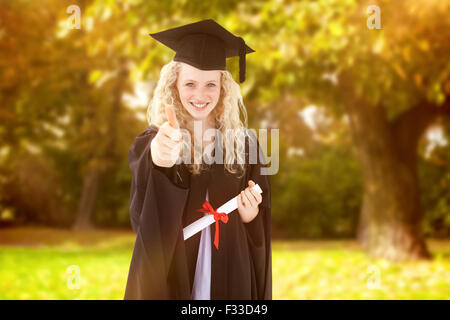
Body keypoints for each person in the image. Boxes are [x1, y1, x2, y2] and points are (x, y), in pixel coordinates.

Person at [124, 19, 271, 300]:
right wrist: (160, 158)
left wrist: (250, 214)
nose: (200, 95)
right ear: (174, 86)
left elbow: (259, 222)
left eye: (210, 85)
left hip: (232, 265)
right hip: (175, 267)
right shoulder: (156, 139)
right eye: (190, 83)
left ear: (223, 88)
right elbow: (141, 216)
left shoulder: (245, 144)